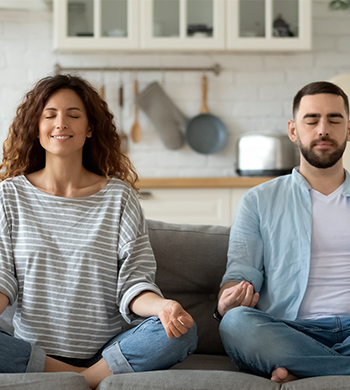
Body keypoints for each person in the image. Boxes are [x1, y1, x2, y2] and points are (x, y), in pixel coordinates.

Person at [0, 74, 197, 389]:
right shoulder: (9, 195)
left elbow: (134, 282)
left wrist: (163, 306)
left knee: (181, 330)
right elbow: (1, 280)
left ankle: (77, 379)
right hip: (31, 349)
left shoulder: (119, 196)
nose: (61, 123)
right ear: (36, 128)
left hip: (106, 352)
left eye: (73, 115)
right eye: (49, 115)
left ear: (89, 128)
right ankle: (83, 380)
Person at [217, 81, 350, 384]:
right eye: (312, 119)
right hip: (291, 329)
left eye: (334, 119)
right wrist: (228, 300)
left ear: (349, 129)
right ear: (293, 131)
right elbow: (242, 271)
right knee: (236, 323)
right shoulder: (259, 200)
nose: (323, 129)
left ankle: (302, 369)